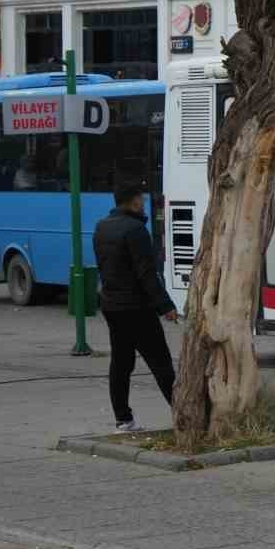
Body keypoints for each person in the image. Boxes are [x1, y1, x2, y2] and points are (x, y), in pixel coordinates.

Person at [92, 182, 178, 433]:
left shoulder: (101, 227)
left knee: (121, 363)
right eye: (142, 199)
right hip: (137, 308)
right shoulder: (136, 230)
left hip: (112, 305)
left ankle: (123, 419)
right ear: (135, 201)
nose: (143, 203)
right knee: (161, 363)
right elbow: (147, 274)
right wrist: (165, 306)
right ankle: (185, 414)